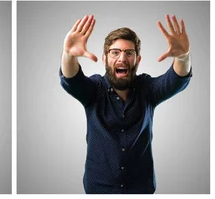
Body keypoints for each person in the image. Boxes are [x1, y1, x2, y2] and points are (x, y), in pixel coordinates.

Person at [60, 14, 191, 193]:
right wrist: (68, 55)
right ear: (105, 58)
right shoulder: (94, 89)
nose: (122, 59)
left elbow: (176, 79)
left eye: (129, 53)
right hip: (98, 190)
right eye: (115, 52)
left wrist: (183, 56)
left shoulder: (147, 89)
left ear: (138, 60)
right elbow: (72, 79)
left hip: (140, 190)